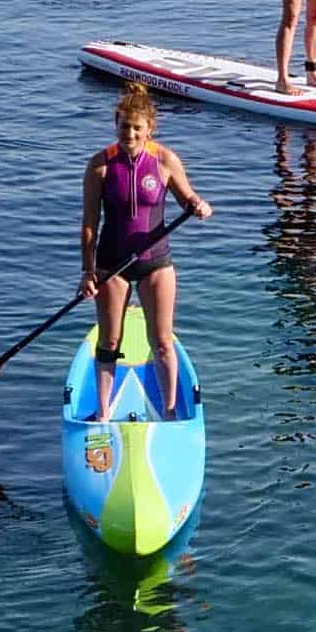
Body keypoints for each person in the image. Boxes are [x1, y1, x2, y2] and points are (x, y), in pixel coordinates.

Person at [81, 80, 204, 418]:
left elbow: (187, 198)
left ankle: (167, 411)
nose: (129, 134)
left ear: (150, 129)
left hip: (156, 263)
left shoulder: (164, 160)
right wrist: (87, 272)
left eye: (137, 128)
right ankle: (103, 413)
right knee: (108, 342)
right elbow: (90, 223)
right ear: (116, 125)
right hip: (111, 265)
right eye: (124, 127)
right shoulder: (99, 166)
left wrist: (198, 205)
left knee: (162, 342)